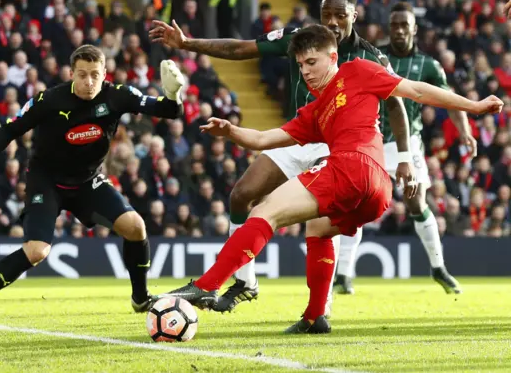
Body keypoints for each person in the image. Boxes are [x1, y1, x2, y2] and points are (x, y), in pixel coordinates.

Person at [155, 25, 502, 334]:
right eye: (301, 65)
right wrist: (232, 131)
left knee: (265, 210)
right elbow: (263, 140)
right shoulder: (315, 112)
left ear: (333, 56)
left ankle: (207, 285)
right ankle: (315, 316)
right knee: (319, 230)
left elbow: (416, 91)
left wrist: (473, 107)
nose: (306, 72)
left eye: (313, 63)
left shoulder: (358, 70)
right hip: (375, 191)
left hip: (354, 168)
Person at [150, 0, 415, 314]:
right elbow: (241, 49)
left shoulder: (371, 58)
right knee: (241, 195)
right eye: (326, 15)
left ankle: (322, 306)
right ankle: (246, 282)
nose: (332, 22)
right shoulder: (298, 38)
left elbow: (396, 107)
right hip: (297, 133)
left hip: (336, 146)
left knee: (317, 222)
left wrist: (404, 157)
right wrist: (188, 43)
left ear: (354, 16)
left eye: (340, 15)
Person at [0, 45, 185, 319]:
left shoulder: (118, 95)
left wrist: (172, 93)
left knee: (135, 227)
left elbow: (169, 111)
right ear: (71, 73)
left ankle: (140, 298)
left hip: (88, 182)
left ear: (104, 73)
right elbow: (12, 127)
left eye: (95, 75)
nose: (89, 82)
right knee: (37, 251)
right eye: (82, 74)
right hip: (46, 182)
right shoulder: (50, 100)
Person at [333, 2, 477, 295]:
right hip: (369, 141)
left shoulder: (428, 65)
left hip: (407, 144)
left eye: (404, 25)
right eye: (394, 25)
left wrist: (464, 131)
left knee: (415, 202)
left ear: (415, 28)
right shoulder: (374, 56)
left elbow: (447, 99)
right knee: (357, 205)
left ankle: (439, 268)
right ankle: (344, 275)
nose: (398, 30)